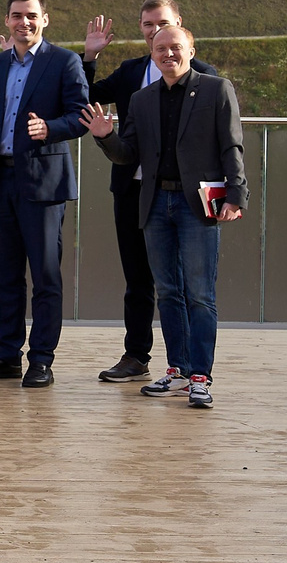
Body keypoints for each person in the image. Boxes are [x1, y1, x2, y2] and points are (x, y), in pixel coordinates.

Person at [90, 26, 245, 411]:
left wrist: (236, 196)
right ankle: (177, 370)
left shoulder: (215, 89)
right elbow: (128, 155)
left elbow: (232, 146)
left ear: (191, 49)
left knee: (200, 295)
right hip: (155, 204)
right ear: (152, 53)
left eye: (176, 47)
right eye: (161, 49)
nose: (168, 54)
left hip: (197, 206)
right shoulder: (142, 99)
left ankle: (200, 377)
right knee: (169, 293)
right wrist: (105, 136)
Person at [80, 0, 214, 386]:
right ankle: (137, 355)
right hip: (134, 191)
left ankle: (189, 365)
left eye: (163, 23)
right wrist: (89, 58)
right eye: (147, 25)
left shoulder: (206, 76)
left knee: (187, 284)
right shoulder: (130, 73)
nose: (156, 31)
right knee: (139, 279)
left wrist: (229, 194)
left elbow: (220, 141)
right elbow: (85, 97)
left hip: (185, 196)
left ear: (181, 25)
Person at [0, 0, 90, 388]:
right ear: (7, 21)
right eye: (17, 16)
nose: (24, 22)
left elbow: (82, 116)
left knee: (46, 276)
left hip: (43, 183)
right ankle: (8, 354)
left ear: (44, 20)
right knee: (5, 276)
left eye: (31, 16)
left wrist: (50, 127)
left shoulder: (64, 61)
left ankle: (42, 360)